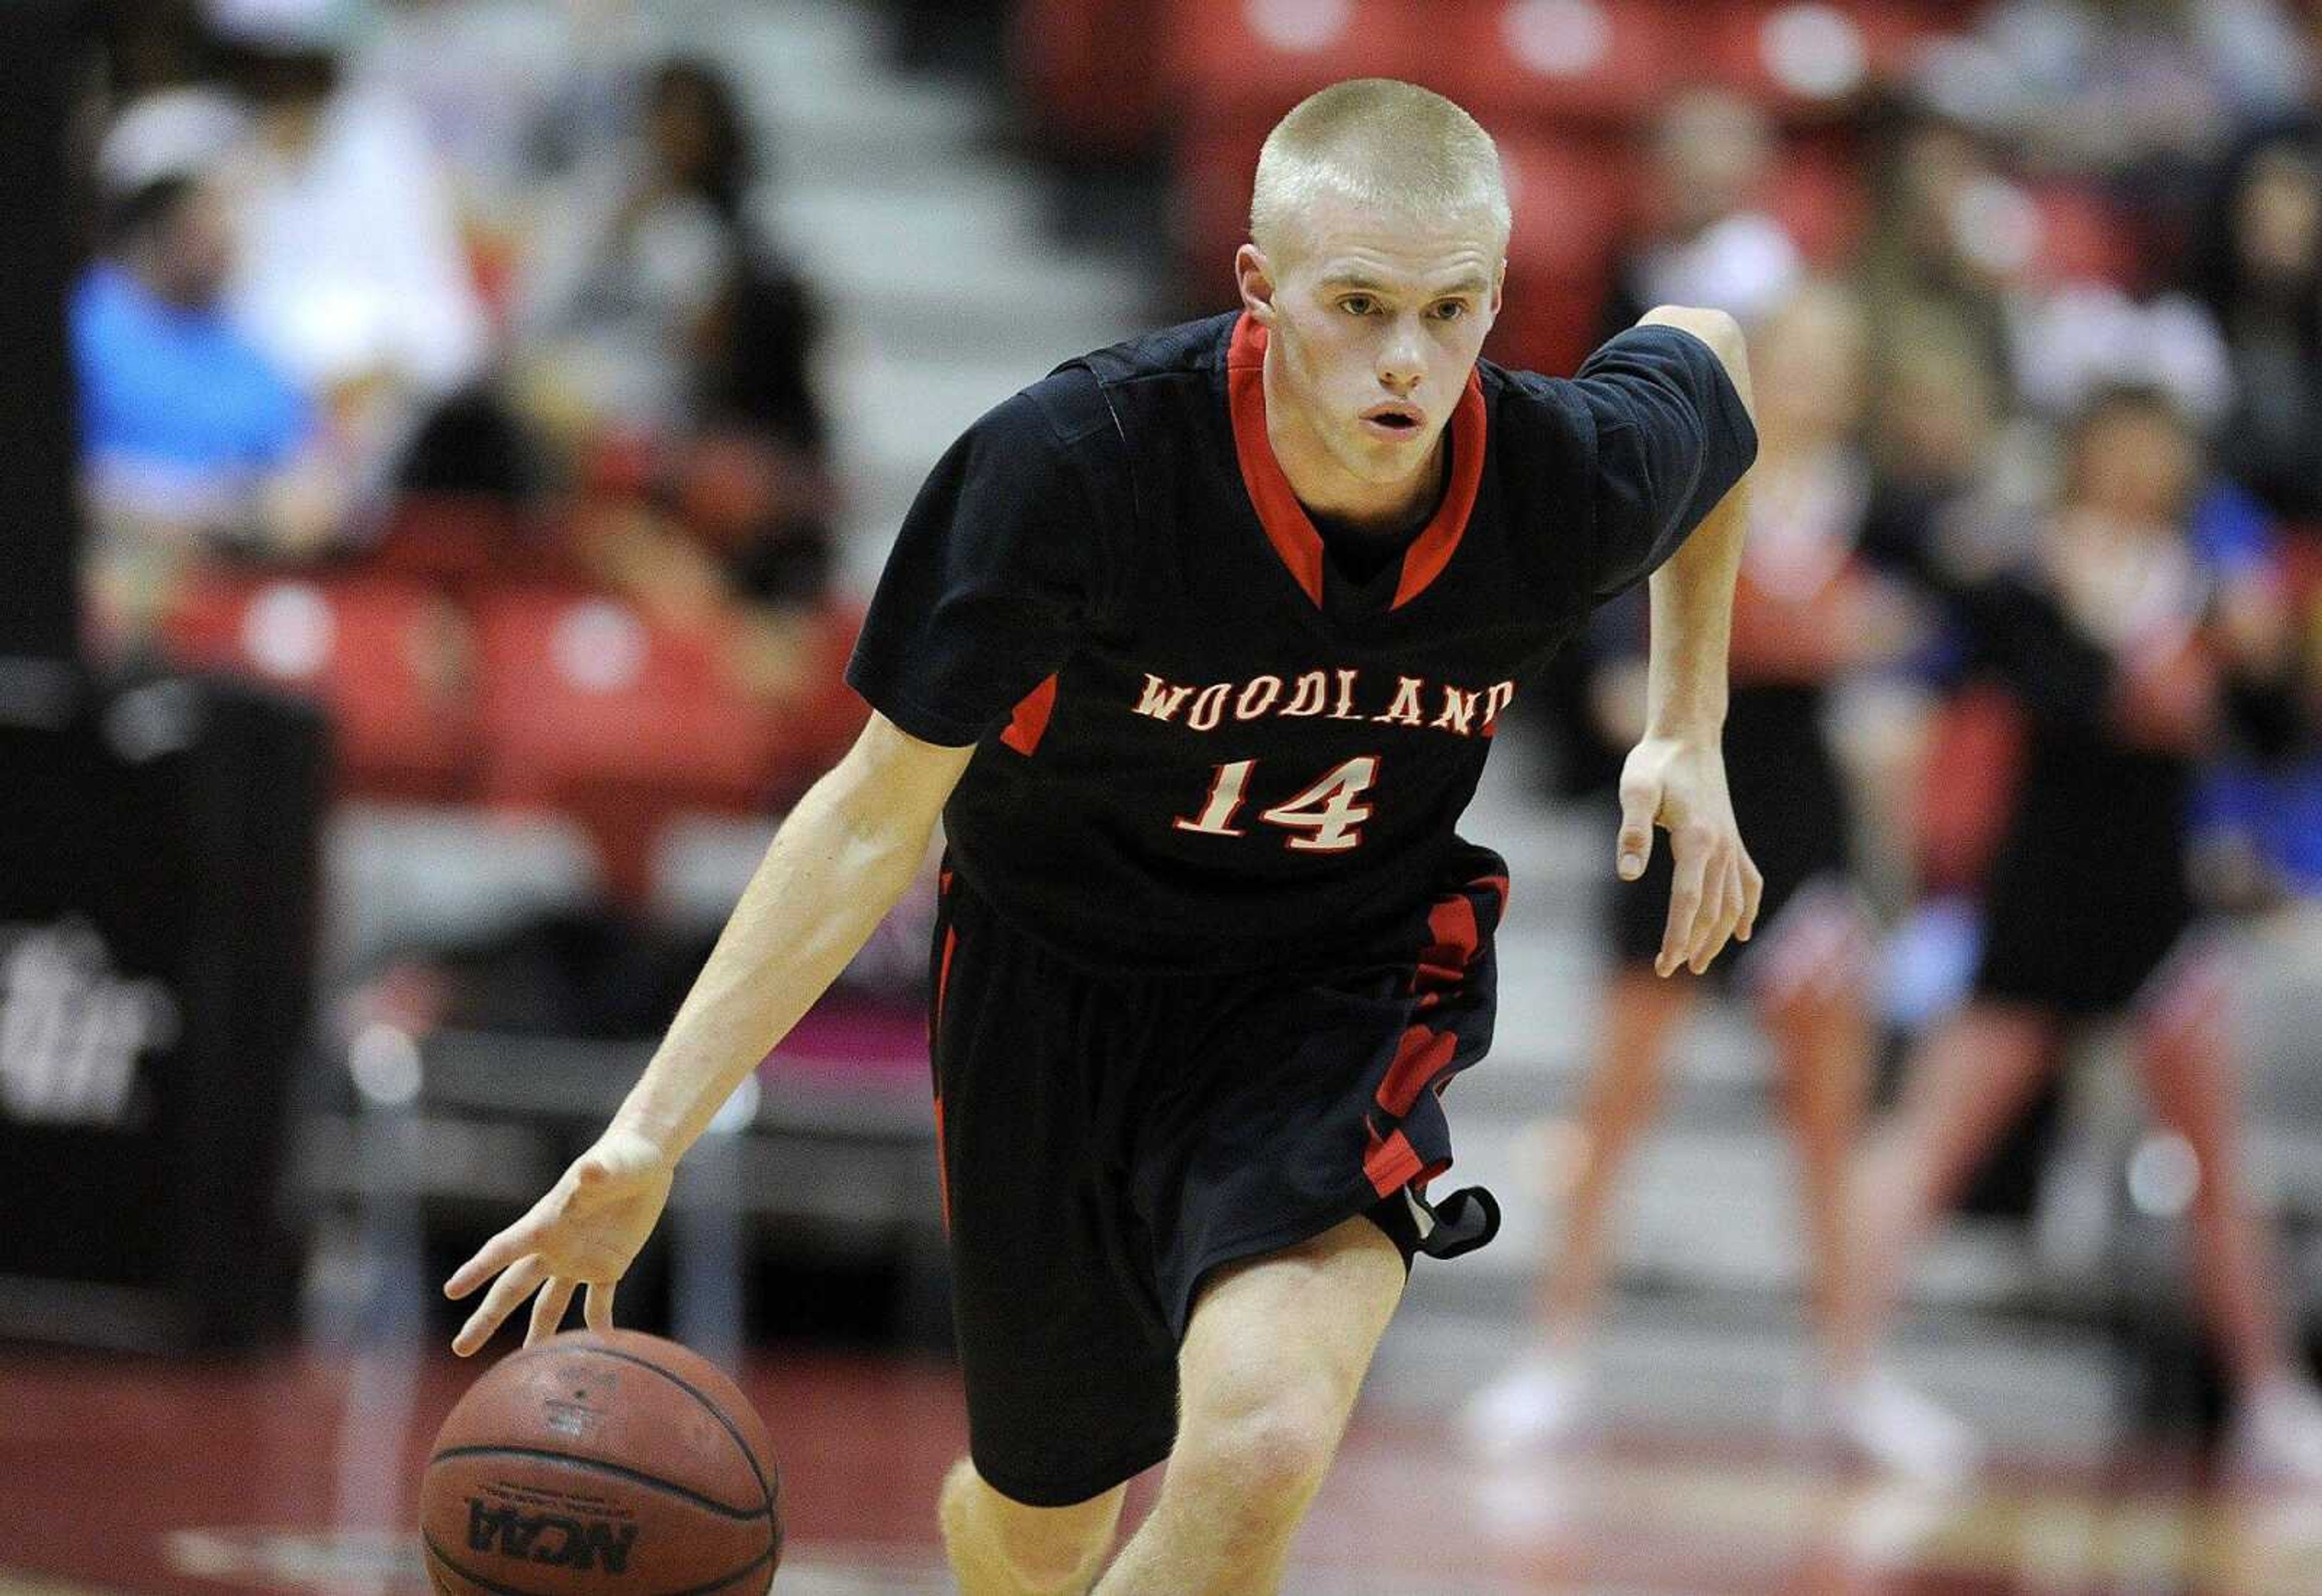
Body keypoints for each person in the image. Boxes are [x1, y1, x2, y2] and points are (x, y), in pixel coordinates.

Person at [443, 79, 1761, 1595]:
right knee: (1041, 1528)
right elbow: (873, 811)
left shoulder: (1555, 475)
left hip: (1333, 987)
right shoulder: (1077, 466)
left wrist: (1687, 721)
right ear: (1260, 286)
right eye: (1360, 305)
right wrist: (645, 1136)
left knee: (1260, 1450)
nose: (1410, 360)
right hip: (1049, 995)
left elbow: (1712, 368)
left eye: (1453, 311)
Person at [1462, 283, 1969, 1478]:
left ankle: (1847, 1375)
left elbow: (1947, 650)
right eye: (1801, 358)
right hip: (1686, 815)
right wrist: (1787, 644)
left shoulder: (1891, 518)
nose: (1820, 383)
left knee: (1828, 1118)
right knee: (1616, 1104)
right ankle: (1554, 1358)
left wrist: (1875, 661)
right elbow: (1598, 667)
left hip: (1811, 839)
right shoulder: (1689, 497)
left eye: (1841, 362)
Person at [1842, 385, 2322, 1488]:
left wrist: (2260, 663)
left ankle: (2269, 1395)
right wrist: (2135, 670)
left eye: (2159, 449)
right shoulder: (2029, 570)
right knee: (1934, 1134)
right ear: (2083, 455)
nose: (2140, 469)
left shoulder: (2209, 587)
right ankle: (1849, 1364)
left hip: (2159, 902)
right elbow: (2044, 688)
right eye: (2120, 447)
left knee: (2219, 1167)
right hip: (2047, 896)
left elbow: (2272, 738)